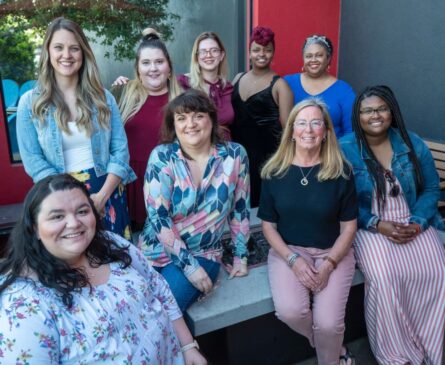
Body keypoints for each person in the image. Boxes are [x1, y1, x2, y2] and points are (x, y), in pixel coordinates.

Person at [0, 174, 207, 365]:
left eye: (82, 211)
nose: (73, 223)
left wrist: (188, 346)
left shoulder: (110, 243)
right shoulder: (22, 305)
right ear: (35, 228)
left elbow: (158, 287)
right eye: (57, 217)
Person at [340, 85, 445, 365]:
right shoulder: (345, 148)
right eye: (367, 110)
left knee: (437, 270)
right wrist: (377, 224)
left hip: (412, 218)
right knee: (384, 278)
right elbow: (341, 201)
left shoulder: (411, 143)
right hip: (368, 224)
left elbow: (432, 189)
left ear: (392, 111)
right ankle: (397, 355)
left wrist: (418, 223)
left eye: (381, 108)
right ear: (357, 115)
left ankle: (433, 346)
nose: (375, 115)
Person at [258, 98, 357, 365]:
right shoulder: (273, 172)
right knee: (291, 311)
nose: (309, 130)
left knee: (328, 325)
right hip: (289, 251)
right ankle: (335, 348)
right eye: (301, 123)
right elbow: (268, 226)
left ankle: (331, 356)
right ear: (291, 131)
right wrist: (292, 259)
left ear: (325, 132)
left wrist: (329, 264)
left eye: (316, 123)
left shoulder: (341, 171)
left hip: (333, 250)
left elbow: (349, 228)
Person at [16, 17, 135, 240]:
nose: (67, 55)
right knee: (73, 268)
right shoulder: (30, 104)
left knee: (115, 265)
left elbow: (121, 151)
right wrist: (72, 199)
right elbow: (33, 161)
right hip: (59, 197)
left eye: (74, 48)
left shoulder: (103, 98)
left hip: (106, 191)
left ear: (84, 53)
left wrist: (101, 197)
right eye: (58, 47)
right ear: (48, 52)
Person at [139, 89, 250, 312]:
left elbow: (240, 209)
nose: (191, 124)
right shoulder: (162, 156)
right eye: (182, 118)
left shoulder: (235, 155)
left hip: (203, 253)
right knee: (137, 308)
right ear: (174, 125)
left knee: (163, 309)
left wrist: (240, 256)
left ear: (211, 119)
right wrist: (189, 268)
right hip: (154, 251)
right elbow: (158, 217)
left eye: (198, 115)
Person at [112, 28, 182, 229]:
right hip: (129, 182)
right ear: (137, 68)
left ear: (169, 67)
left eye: (159, 62)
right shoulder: (122, 94)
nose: (153, 68)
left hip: (169, 183)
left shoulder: (182, 99)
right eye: (146, 63)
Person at [231, 26, 294, 207]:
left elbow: (288, 132)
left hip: (266, 162)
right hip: (238, 159)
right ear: (249, 52)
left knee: (260, 210)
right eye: (256, 49)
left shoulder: (280, 85)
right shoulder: (237, 78)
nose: (262, 54)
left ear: (273, 54)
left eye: (267, 50)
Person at [284, 35, 355, 139]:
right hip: (296, 151)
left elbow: (350, 133)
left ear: (328, 58)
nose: (313, 60)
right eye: (308, 56)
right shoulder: (287, 83)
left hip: (332, 152)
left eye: (319, 55)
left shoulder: (344, 90)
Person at [178, 31, 234, 141]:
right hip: (195, 150)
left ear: (222, 55)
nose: (208, 55)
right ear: (196, 57)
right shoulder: (184, 84)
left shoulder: (228, 88)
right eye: (203, 51)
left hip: (225, 150)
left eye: (214, 50)